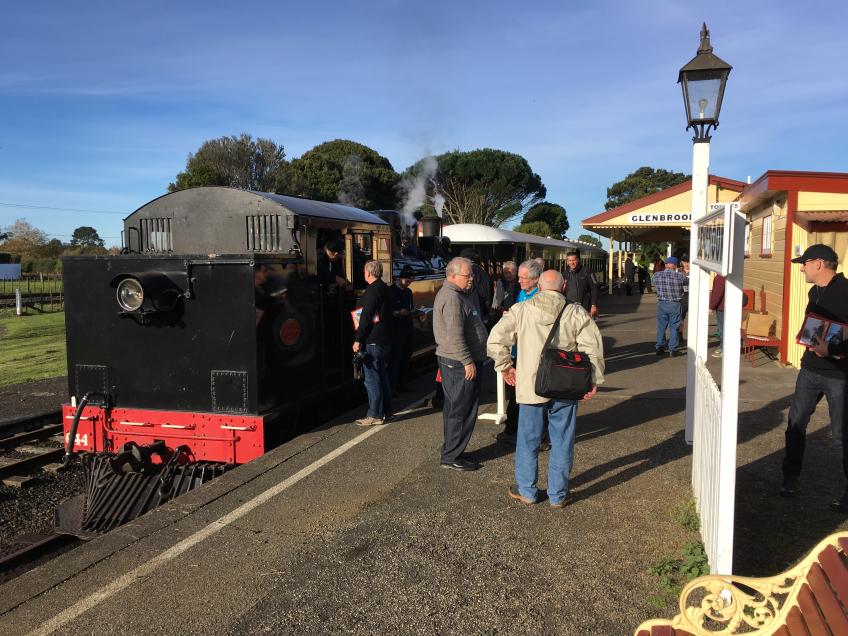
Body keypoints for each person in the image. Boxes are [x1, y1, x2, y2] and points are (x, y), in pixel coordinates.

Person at [487, 269, 605, 507]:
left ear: (539, 287)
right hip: (566, 386)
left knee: (528, 440)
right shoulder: (576, 312)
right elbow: (593, 348)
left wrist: (506, 367)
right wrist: (593, 380)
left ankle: (527, 491)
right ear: (563, 288)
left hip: (531, 386)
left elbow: (495, 339)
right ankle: (558, 495)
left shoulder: (521, 310)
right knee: (562, 440)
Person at [779, 244, 848, 513]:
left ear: (818, 263)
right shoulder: (814, 290)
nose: (801, 268)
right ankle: (789, 479)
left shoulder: (846, 292)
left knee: (842, 435)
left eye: (804, 263)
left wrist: (833, 350)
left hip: (839, 376)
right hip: (809, 370)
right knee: (795, 425)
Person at [433, 257, 489, 471]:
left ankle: (453, 450)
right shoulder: (453, 298)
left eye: (472, 275)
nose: (472, 279)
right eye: (468, 275)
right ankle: (451, 456)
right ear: (453, 275)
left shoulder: (458, 295)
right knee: (460, 409)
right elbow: (454, 336)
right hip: (458, 363)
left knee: (458, 408)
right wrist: (468, 361)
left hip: (458, 361)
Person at [497, 259, 542, 446]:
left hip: (532, 353)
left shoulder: (541, 297)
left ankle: (534, 434)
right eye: (519, 277)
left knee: (530, 394)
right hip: (518, 350)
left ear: (535, 279)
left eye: (523, 278)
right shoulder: (522, 293)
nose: (520, 281)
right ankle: (512, 429)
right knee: (517, 391)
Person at [352, 260, 394, 427]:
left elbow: (366, 316)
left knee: (371, 378)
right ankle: (388, 410)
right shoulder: (385, 288)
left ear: (368, 273)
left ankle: (375, 414)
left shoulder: (372, 290)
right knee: (382, 376)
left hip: (373, 339)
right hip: (385, 338)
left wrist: (358, 339)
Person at [389, 266, 418, 394]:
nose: (408, 284)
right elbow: (386, 311)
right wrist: (397, 312)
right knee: (395, 358)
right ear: (400, 278)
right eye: (407, 281)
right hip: (395, 328)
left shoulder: (408, 292)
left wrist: (415, 312)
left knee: (406, 356)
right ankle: (393, 387)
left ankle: (402, 384)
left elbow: (411, 307)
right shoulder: (391, 291)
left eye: (410, 282)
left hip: (407, 326)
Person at [653, 256, 687, 356]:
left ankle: (659, 347)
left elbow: (652, 282)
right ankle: (673, 349)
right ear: (675, 265)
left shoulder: (657, 275)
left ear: (666, 264)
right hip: (675, 304)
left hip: (662, 303)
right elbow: (687, 284)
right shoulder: (680, 276)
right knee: (674, 327)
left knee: (661, 326)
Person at [563, 250, 599, 318]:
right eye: (569, 261)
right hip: (569, 307)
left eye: (573, 260)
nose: (572, 263)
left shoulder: (587, 271)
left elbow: (594, 288)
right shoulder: (565, 274)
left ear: (578, 260)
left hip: (585, 307)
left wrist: (593, 305)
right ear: (567, 261)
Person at [459, 248, 492, 322]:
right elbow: (487, 294)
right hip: (480, 309)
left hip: (470, 308)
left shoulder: (465, 272)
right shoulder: (483, 272)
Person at [709, 274, 726, 358]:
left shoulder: (720, 277)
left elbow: (717, 293)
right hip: (726, 306)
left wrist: (711, 306)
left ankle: (724, 350)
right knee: (723, 328)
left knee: (722, 329)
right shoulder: (727, 275)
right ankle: (722, 347)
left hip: (722, 307)